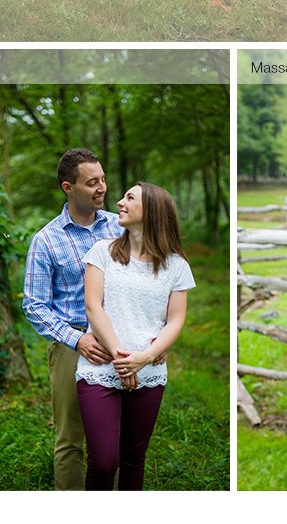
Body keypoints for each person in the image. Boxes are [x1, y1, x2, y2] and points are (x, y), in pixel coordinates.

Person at [76, 181, 195, 491]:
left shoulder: (176, 266)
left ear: (152, 210)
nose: (119, 202)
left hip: (149, 371)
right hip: (100, 369)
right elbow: (93, 307)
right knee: (103, 461)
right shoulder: (101, 252)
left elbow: (176, 320)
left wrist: (145, 358)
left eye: (130, 198)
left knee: (133, 460)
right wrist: (121, 358)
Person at [23, 149, 121, 490]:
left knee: (116, 439)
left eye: (103, 179)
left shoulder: (119, 226)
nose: (102, 188)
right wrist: (77, 339)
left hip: (122, 340)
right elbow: (35, 306)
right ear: (68, 187)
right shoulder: (46, 240)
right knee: (70, 440)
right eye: (91, 182)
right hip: (73, 346)